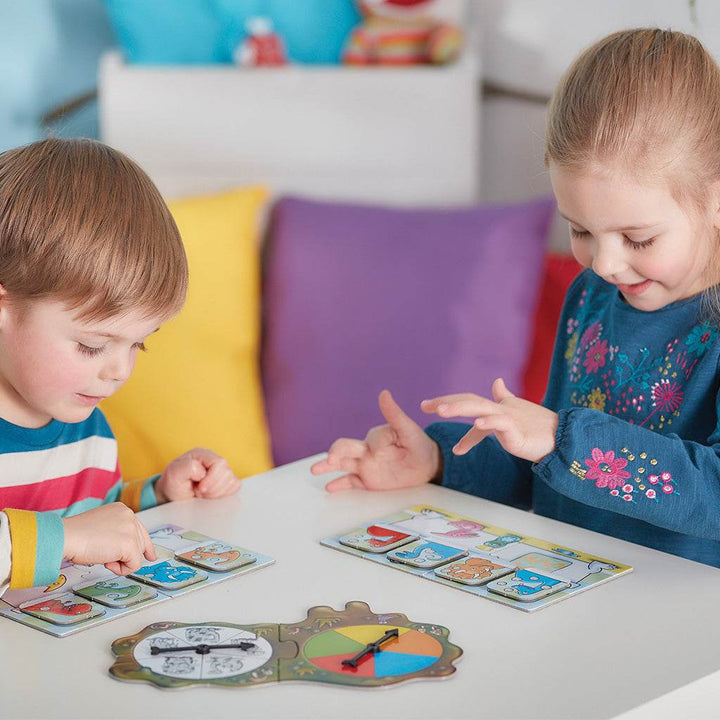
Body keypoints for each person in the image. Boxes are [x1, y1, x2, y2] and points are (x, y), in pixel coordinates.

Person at [312, 28, 720, 568]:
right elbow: (547, 471)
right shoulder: (593, 297)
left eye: (638, 239)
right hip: (569, 586)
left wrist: (559, 437)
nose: (603, 263)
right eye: (580, 230)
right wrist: (437, 460)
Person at [0, 138, 240, 594]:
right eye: (92, 345)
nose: (119, 371)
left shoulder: (87, 427)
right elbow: (71, 536)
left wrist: (156, 497)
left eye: (138, 345)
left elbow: (91, 520)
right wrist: (66, 538)